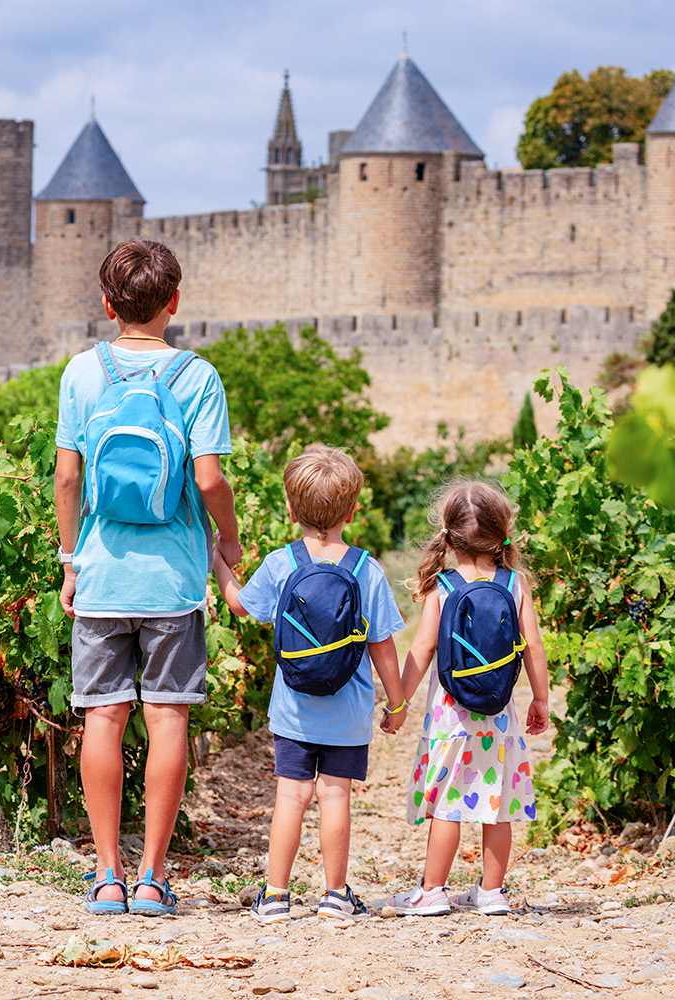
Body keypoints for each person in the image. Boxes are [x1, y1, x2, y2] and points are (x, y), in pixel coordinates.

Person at [55, 238, 242, 917]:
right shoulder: (197, 377)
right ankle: (152, 877)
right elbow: (210, 479)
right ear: (175, 302)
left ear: (107, 306)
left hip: (103, 574)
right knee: (167, 718)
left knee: (102, 717)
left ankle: (106, 876)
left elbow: (69, 476)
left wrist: (70, 562)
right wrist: (229, 536)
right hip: (175, 581)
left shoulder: (81, 373)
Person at [212, 445, 407, 922]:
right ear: (354, 510)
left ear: (291, 510)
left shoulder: (283, 563)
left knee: (292, 795)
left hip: (293, 707)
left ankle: (276, 895)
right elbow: (382, 645)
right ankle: (335, 895)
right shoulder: (367, 569)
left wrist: (219, 562)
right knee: (335, 794)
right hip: (350, 708)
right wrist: (397, 702)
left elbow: (241, 606)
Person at [379, 480, 550, 916]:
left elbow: (421, 649)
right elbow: (533, 645)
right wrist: (540, 700)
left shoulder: (445, 586)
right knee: (499, 803)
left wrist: (398, 703)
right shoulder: (515, 584)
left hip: (449, 716)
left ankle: (433, 891)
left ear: (449, 535)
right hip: (499, 715)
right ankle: (491, 892)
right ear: (502, 532)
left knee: (447, 804)